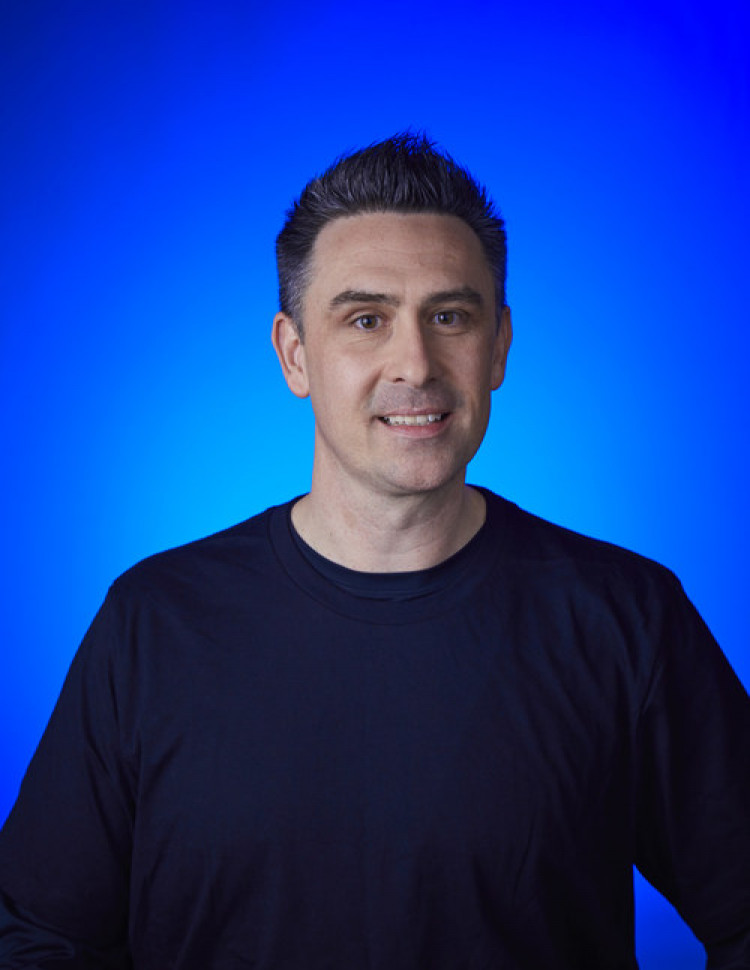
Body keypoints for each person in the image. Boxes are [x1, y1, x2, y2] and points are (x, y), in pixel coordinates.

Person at [0, 132, 748, 970]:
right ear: (295, 355)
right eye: (366, 320)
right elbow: (38, 936)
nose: (415, 364)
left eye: (450, 317)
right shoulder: (155, 623)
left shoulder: (625, 620)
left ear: (498, 346)